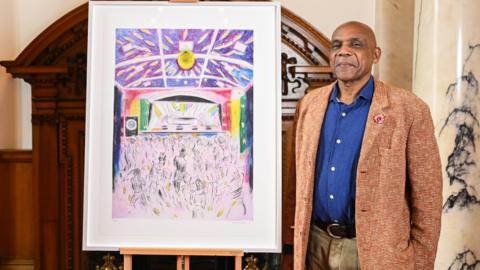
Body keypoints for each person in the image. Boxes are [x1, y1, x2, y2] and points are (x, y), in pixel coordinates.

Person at [293, 21, 442, 269]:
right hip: (315, 245)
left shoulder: (408, 108)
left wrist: (421, 262)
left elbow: (428, 197)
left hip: (376, 251)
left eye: (356, 44)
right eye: (337, 45)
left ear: (375, 55)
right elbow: (295, 184)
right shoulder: (310, 105)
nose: (343, 51)